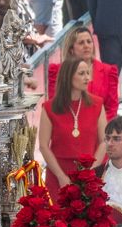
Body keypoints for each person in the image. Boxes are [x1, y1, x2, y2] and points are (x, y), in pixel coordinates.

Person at [39, 57, 105, 196]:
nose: (87, 77)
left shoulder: (97, 104)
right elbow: (43, 146)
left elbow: (104, 141)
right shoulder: (49, 108)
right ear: (68, 77)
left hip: (88, 173)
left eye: (88, 73)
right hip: (59, 173)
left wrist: (92, 171)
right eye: (81, 74)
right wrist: (61, 176)